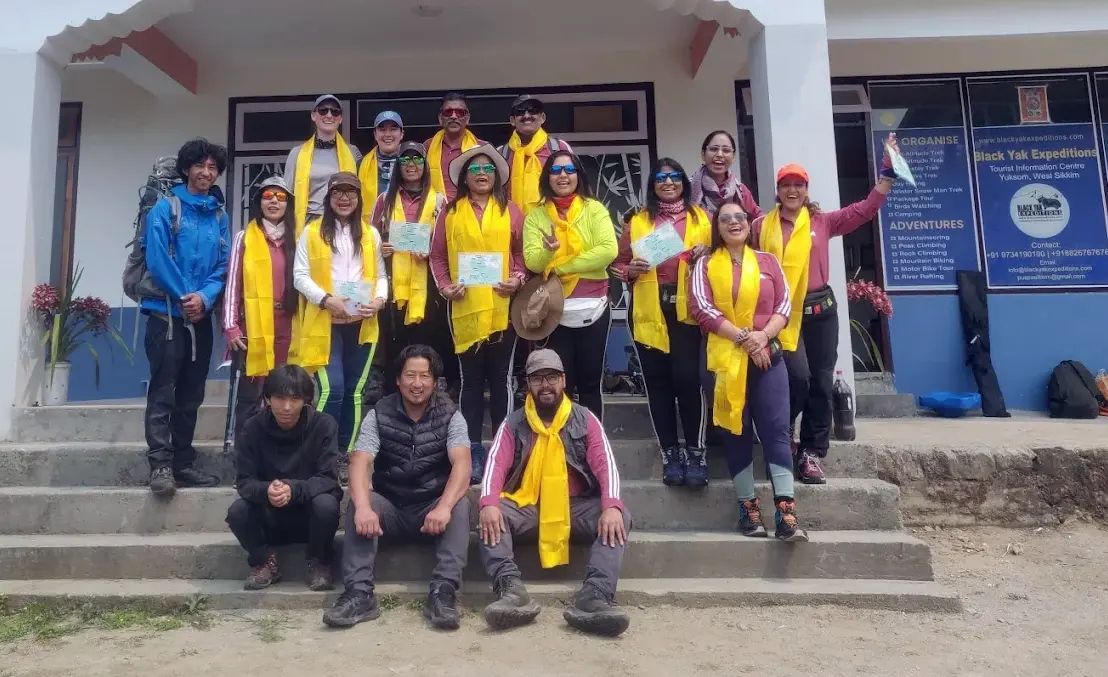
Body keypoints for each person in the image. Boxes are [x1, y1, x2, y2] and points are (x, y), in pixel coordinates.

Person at [752, 135, 898, 484]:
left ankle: (812, 453)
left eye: (798, 185)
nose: (792, 190)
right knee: (794, 377)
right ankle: (783, 431)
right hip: (781, 314)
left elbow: (864, 210)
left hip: (820, 311)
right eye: (786, 185)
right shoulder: (761, 226)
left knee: (820, 380)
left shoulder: (822, 222)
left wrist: (886, 179)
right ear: (778, 190)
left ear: (806, 190)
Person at [478, 349, 631, 637]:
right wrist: (488, 502)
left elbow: (606, 465)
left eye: (551, 377)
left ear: (563, 381)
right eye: (537, 378)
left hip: (575, 507)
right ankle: (511, 592)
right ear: (527, 386)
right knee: (492, 512)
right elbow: (495, 466)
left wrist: (611, 505)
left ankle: (595, 597)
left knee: (619, 516)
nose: (545, 385)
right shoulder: (514, 423)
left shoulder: (585, 419)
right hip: (528, 507)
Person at [323, 344, 472, 631]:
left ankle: (444, 593)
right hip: (390, 508)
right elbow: (360, 461)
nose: (417, 384)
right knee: (360, 502)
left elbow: (462, 465)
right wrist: (365, 507)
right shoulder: (379, 413)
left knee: (460, 504)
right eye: (410, 375)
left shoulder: (451, 415)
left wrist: (442, 507)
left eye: (424, 376)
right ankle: (359, 593)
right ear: (398, 379)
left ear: (435, 381)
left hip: (432, 509)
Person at [689, 203, 807, 542]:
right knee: (735, 430)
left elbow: (784, 304)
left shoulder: (769, 262)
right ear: (717, 227)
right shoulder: (706, 264)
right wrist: (744, 338)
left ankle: (786, 513)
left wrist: (762, 337)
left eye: (739, 217)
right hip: (724, 358)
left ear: (748, 224)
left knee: (776, 431)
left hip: (768, 355)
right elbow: (701, 306)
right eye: (725, 219)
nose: (733, 223)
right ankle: (748, 509)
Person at [612, 157, 711, 489]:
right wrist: (631, 272)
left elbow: (724, 255)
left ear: (684, 181)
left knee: (687, 380)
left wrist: (707, 252)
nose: (668, 183)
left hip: (689, 311)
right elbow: (620, 264)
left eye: (674, 177)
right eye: (660, 178)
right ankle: (670, 453)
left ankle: (696, 452)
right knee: (658, 385)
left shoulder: (702, 218)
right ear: (652, 184)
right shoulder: (637, 221)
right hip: (648, 311)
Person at [430, 144, 526, 485]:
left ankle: (505, 447)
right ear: (464, 177)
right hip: (465, 308)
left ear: (497, 175)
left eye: (487, 168)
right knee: (470, 382)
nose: (481, 173)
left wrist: (517, 278)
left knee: (501, 381)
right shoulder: (450, 213)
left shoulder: (512, 210)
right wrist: (444, 287)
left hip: (503, 309)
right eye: (474, 169)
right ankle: (470, 449)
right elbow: (438, 257)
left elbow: (520, 253)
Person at [143, 138, 230, 497]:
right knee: (164, 391)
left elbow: (223, 265)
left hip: (200, 317)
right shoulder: (165, 209)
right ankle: (160, 464)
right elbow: (157, 259)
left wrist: (205, 297)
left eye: (213, 168)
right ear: (186, 169)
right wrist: (184, 296)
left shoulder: (219, 216)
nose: (206, 173)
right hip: (165, 315)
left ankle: (183, 461)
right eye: (200, 166)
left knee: (192, 393)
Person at [293, 171, 388, 483]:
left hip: (361, 324)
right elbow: (300, 275)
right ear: (329, 198)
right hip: (326, 322)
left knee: (355, 392)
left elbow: (382, 277)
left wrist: (379, 300)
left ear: (359, 198)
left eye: (351, 193)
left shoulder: (370, 234)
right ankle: (320, 454)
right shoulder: (312, 231)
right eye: (338, 193)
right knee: (331, 389)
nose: (344, 198)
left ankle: (347, 455)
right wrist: (325, 299)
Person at [226, 365, 343, 590]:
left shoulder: (324, 425)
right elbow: (244, 482)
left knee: (327, 503)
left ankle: (319, 561)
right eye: (279, 398)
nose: (287, 407)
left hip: (310, 517)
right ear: (268, 398)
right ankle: (264, 562)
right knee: (238, 511)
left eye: (295, 399)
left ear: (306, 400)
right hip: (270, 515)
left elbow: (328, 477)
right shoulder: (252, 428)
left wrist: (293, 489)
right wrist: (267, 490)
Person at [523, 150, 617, 420]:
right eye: (555, 170)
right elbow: (533, 262)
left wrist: (562, 266)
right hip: (553, 308)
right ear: (546, 177)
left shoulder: (594, 209)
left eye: (569, 170)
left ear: (578, 175)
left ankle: (591, 443)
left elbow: (607, 250)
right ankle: (559, 444)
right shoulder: (536, 216)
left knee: (590, 382)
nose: (562, 176)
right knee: (559, 382)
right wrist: (549, 252)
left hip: (594, 306)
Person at [369, 141, 459, 395]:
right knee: (396, 337)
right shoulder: (384, 200)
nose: (411, 165)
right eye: (405, 160)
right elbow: (369, 239)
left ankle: (434, 387)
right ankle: (396, 390)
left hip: (428, 279)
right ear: (398, 166)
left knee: (431, 335)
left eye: (417, 160)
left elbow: (448, 240)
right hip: (394, 280)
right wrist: (381, 249)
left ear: (425, 165)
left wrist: (431, 253)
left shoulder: (439, 201)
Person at [223, 176, 299, 441]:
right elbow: (233, 285)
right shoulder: (245, 238)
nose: (274, 201)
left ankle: (281, 454)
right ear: (259, 202)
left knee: (287, 392)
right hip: (254, 328)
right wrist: (231, 328)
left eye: (281, 197)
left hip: (291, 326)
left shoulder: (298, 238)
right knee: (252, 395)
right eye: (268, 196)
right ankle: (246, 458)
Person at [285, 94, 363, 236]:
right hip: (308, 224)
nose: (329, 115)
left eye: (335, 111)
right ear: (313, 116)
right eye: (323, 110)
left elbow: (359, 191)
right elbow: (287, 197)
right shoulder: (296, 153)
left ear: (340, 119)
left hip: (343, 223)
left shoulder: (353, 153)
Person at [498, 94, 573, 214]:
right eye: (520, 112)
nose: (527, 116)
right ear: (512, 120)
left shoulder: (559, 148)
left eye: (533, 111)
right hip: (511, 224)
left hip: (551, 222)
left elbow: (575, 186)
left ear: (542, 117)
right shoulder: (501, 153)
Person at [689, 130, 763, 221]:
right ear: (703, 154)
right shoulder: (688, 188)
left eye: (726, 150)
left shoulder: (741, 191)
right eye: (714, 149)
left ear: (733, 157)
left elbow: (759, 219)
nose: (719, 154)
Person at [425, 92, 486, 201]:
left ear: (467, 118)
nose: (453, 116)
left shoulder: (482, 148)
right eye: (448, 112)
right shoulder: (427, 147)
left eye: (459, 112)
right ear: (440, 119)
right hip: (435, 211)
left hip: (471, 211)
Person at [358, 110, 405, 224]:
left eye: (393, 129)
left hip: (405, 228)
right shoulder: (360, 165)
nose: (387, 134)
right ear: (375, 134)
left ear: (402, 134)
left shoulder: (413, 163)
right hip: (370, 230)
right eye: (382, 129)